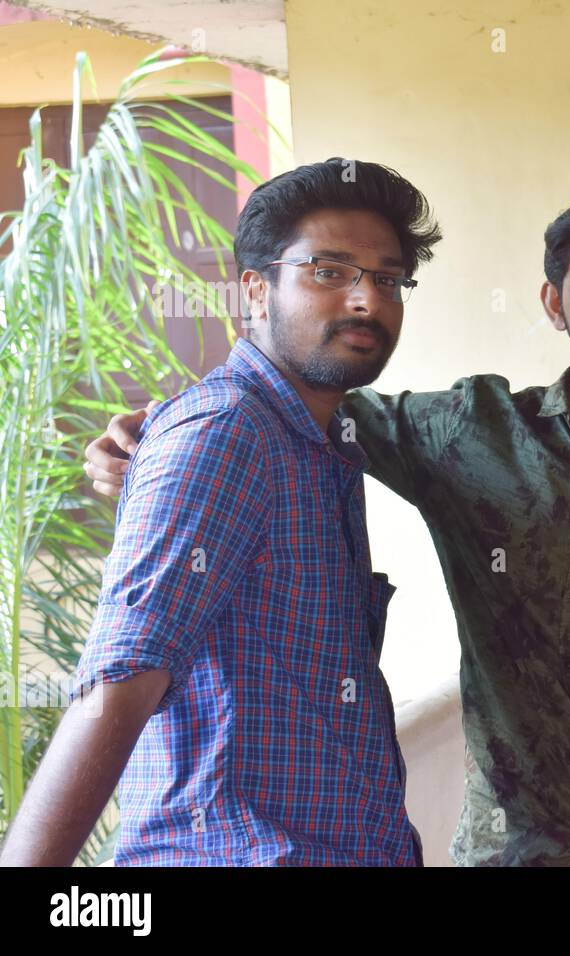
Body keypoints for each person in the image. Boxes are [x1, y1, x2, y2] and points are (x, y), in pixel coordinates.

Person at [83, 187, 570, 866]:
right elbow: (294, 403)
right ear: (553, 303)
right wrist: (155, 434)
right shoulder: (470, 431)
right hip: (513, 848)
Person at [1, 158, 438, 865]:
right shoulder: (224, 435)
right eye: (330, 271)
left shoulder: (325, 446)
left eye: (387, 279)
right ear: (255, 291)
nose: (366, 299)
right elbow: (115, 684)